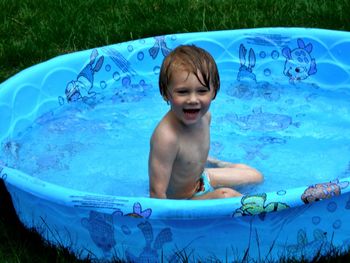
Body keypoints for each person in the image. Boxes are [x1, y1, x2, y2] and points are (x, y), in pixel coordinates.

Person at [148, 45, 263, 200]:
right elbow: (157, 195)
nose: (193, 100)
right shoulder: (166, 138)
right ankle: (258, 213)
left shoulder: (205, 117)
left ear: (214, 92)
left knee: (256, 176)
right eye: (182, 92)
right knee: (226, 196)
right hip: (183, 200)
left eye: (202, 91)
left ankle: (219, 163)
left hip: (201, 179)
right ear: (165, 94)